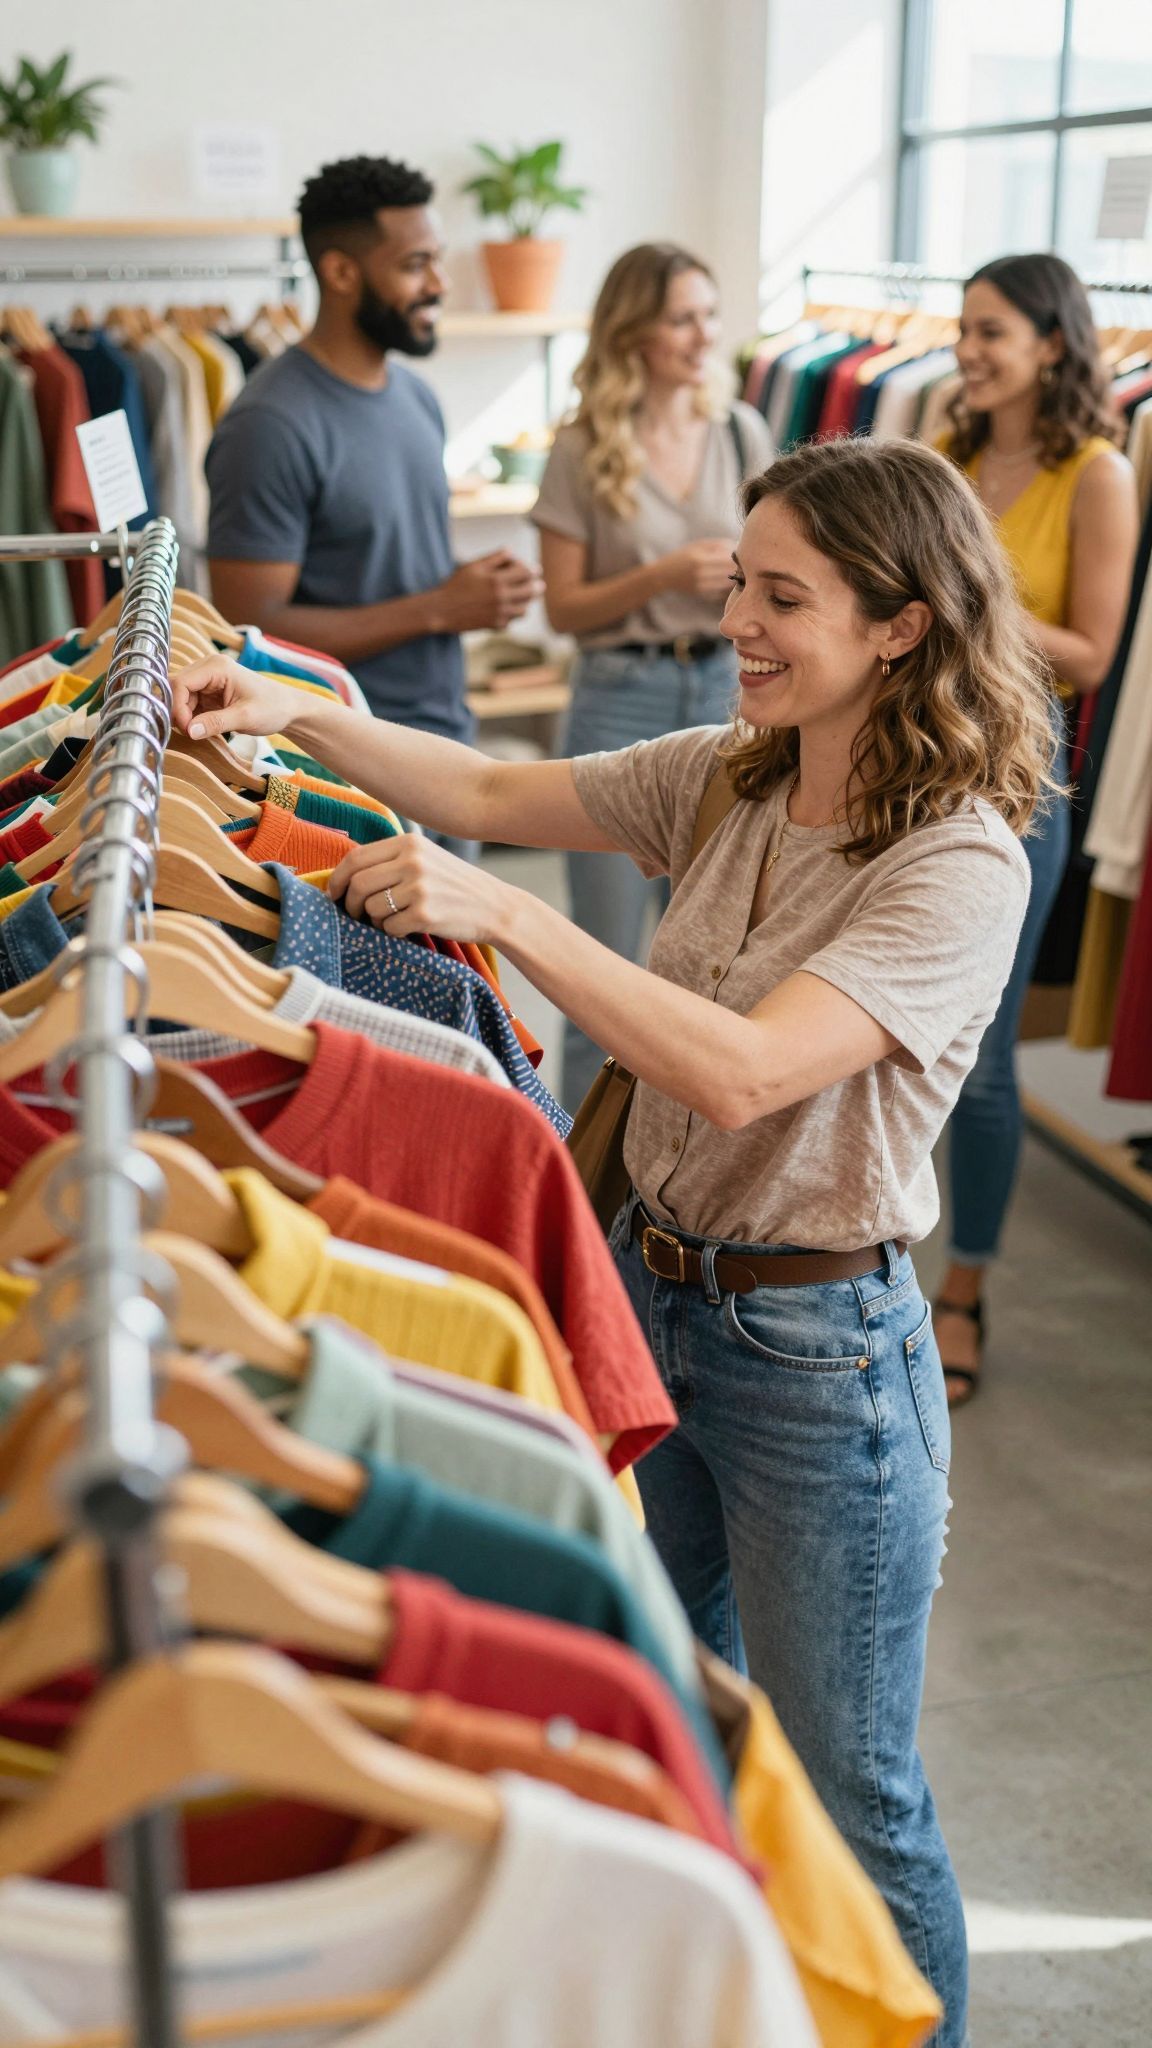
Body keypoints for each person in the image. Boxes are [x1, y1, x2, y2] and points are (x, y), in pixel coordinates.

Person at [174, 435, 1060, 2043]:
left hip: (824, 1368)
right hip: (653, 1303)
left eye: (786, 598)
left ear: (903, 627)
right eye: (741, 582)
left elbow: (742, 1072)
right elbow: (500, 790)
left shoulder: (960, 861)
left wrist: (508, 912)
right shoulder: (739, 771)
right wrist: (285, 709)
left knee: (850, 1786)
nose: (744, 621)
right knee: (674, 1711)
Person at [934, 252, 1138, 1406]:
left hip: (1017, 778)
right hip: (911, 765)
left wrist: (963, 596)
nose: (968, 349)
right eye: (964, 329)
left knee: (984, 1063)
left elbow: (1094, 653)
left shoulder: (1096, 472)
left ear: (1052, 344)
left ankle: (962, 1287)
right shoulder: (948, 453)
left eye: (991, 330)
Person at [204, 153, 540, 826]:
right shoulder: (270, 423)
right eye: (416, 265)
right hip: (342, 768)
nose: (440, 284)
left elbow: (380, 565)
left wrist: (465, 588)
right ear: (341, 271)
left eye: (437, 260)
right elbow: (252, 628)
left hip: (445, 744)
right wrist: (441, 607)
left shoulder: (415, 397)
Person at [532, 243, 773, 1108]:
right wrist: (664, 576)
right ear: (634, 330)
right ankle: (568, 1172)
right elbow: (563, 610)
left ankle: (672, 1175)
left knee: (710, 965)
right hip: (616, 695)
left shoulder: (741, 431)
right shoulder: (582, 446)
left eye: (709, 314)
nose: (704, 334)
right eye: (682, 317)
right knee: (592, 965)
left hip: (731, 692)